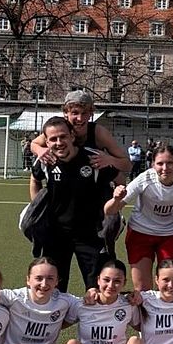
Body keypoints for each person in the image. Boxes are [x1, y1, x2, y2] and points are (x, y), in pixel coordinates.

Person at [29, 116, 120, 292]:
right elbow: (35, 178)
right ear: (46, 142)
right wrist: (36, 209)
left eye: (62, 137)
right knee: (54, 290)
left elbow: (118, 179)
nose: (58, 142)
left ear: (72, 136)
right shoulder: (45, 160)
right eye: (53, 139)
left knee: (97, 289)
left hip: (91, 235)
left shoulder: (93, 158)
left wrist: (115, 201)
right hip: (55, 234)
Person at [105, 144, 173, 291]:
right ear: (152, 164)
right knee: (143, 289)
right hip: (140, 233)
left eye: (170, 163)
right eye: (160, 163)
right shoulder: (143, 179)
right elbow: (109, 210)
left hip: (171, 234)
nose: (165, 168)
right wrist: (116, 199)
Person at [29, 90, 132, 177]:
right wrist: (40, 150)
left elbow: (127, 164)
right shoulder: (60, 130)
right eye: (75, 113)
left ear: (91, 114)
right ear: (65, 113)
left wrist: (110, 160)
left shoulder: (99, 133)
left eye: (84, 113)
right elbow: (34, 144)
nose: (80, 118)